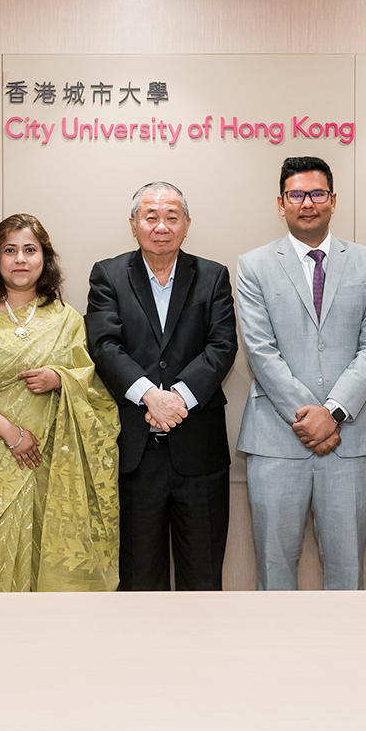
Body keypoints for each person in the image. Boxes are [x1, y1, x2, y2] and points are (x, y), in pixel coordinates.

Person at [235, 156, 366, 591]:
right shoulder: (253, 265)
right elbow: (260, 350)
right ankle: (278, 659)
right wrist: (311, 417)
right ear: (281, 203)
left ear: (333, 200)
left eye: (317, 193)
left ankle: (344, 658)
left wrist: (334, 412)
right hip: (276, 438)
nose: (308, 203)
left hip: (350, 439)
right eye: (297, 194)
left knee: (348, 569)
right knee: (274, 565)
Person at [0, 214, 121, 591]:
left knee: (45, 553)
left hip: (50, 460)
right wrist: (12, 434)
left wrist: (61, 378)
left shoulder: (66, 318)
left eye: (30, 250)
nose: (20, 259)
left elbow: (92, 386)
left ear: (45, 259)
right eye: (10, 250)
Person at [85, 182, 238, 591]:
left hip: (199, 452)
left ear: (187, 225)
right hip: (135, 453)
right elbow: (103, 345)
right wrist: (152, 396)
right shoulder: (109, 274)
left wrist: (178, 399)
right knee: (138, 578)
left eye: (172, 217)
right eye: (151, 217)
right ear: (133, 224)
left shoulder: (213, 275)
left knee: (203, 575)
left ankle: (200, 655)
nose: (161, 226)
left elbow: (222, 346)